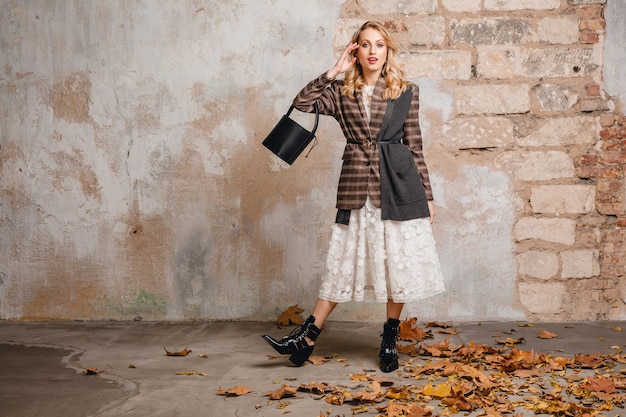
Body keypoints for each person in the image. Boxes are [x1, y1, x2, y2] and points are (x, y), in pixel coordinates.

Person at [262, 21, 445, 373]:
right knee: (341, 262)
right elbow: (303, 102)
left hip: (398, 183)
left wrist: (428, 195)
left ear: (387, 51)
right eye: (365, 45)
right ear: (355, 51)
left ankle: (389, 339)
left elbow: (415, 145)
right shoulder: (341, 91)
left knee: (397, 264)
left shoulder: (406, 91)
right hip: (355, 184)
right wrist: (334, 70)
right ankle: (308, 336)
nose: (373, 51)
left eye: (379, 44)